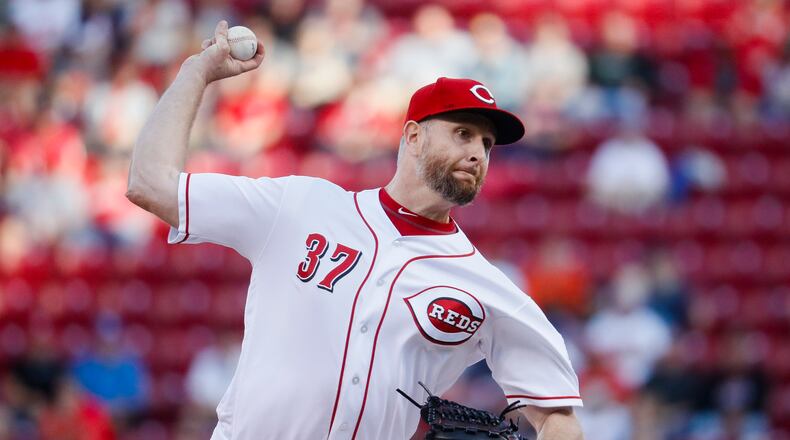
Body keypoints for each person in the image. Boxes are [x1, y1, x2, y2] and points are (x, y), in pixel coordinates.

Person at [127, 20, 584, 440]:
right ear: (413, 137)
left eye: (487, 144)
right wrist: (195, 72)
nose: (478, 153)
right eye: (463, 133)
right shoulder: (301, 205)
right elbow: (150, 184)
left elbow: (558, 415)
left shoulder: (487, 287)